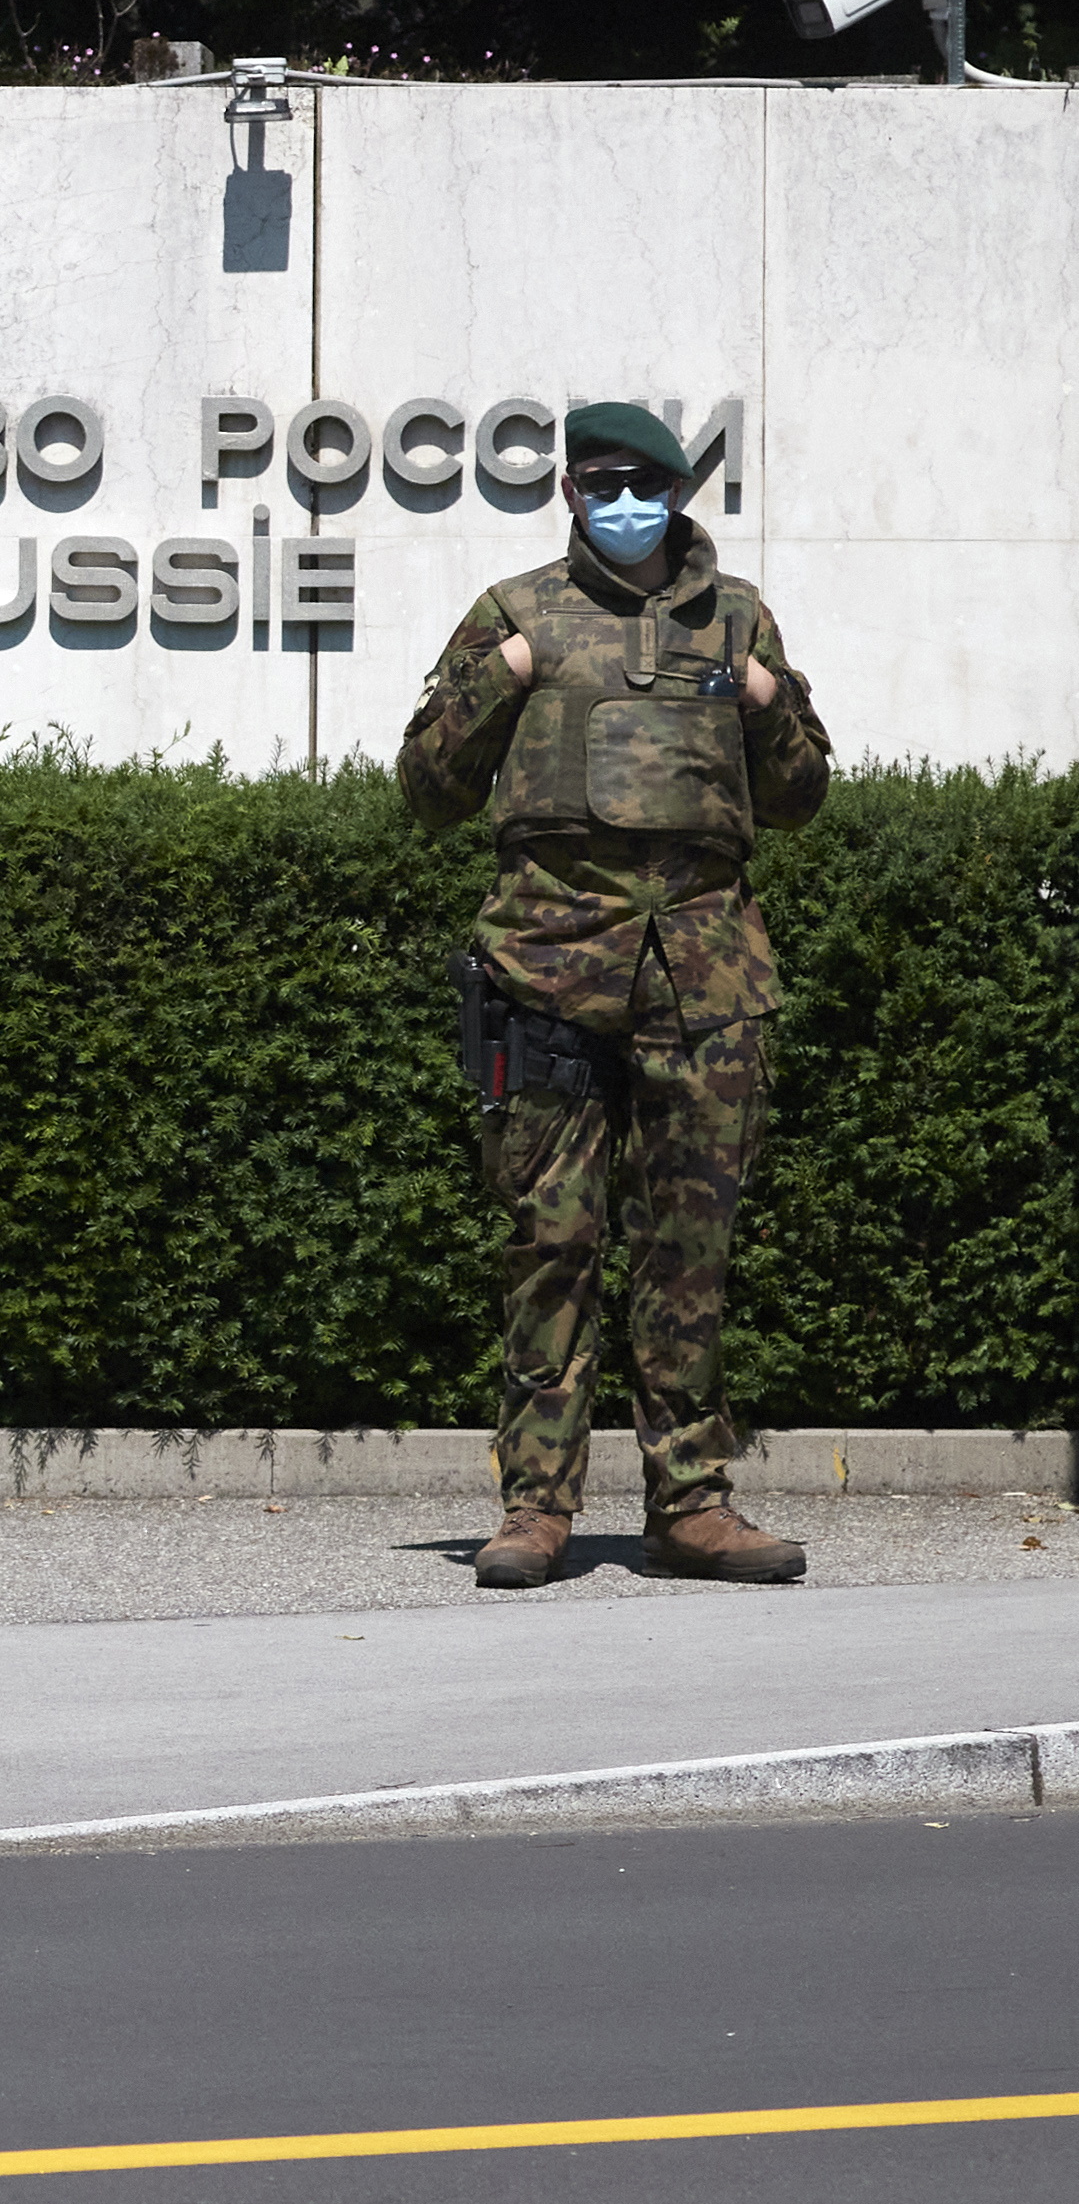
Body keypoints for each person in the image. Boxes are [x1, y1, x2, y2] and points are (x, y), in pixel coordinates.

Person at [396, 402, 832, 1590]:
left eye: (647, 479)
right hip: (548, 964)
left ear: (681, 489)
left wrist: (764, 698)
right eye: (601, 480)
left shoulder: (737, 614)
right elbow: (428, 787)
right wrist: (508, 677)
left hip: (705, 972)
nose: (624, 499)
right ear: (571, 491)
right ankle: (537, 1506)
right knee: (552, 1241)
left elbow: (799, 797)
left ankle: (691, 1504)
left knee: (688, 1253)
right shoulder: (515, 611)